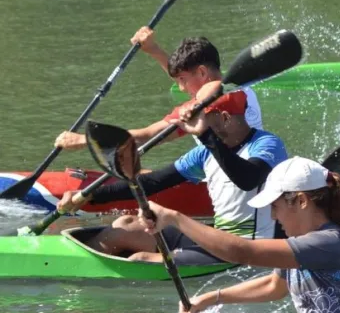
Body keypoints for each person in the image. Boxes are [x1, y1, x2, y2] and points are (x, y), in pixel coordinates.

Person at [139, 157, 340, 313]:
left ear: (301, 201)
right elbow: (274, 286)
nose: (274, 217)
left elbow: (241, 251)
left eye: (275, 207)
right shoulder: (304, 243)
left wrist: (175, 218)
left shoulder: (330, 242)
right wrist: (208, 298)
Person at [57, 81, 288, 264]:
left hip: (250, 249)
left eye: (203, 118)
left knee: (140, 259)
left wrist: (206, 136)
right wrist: (90, 196)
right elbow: (153, 181)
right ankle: (72, 274)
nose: (197, 125)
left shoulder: (267, 144)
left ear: (225, 118)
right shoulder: (205, 153)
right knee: (124, 225)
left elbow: (248, 179)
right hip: (217, 238)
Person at [54, 28, 263, 150]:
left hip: (236, 184)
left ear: (201, 72)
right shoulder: (239, 89)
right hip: (221, 168)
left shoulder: (214, 103)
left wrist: (86, 141)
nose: (181, 88)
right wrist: (153, 49)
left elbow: (145, 136)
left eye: (182, 80)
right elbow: (193, 80)